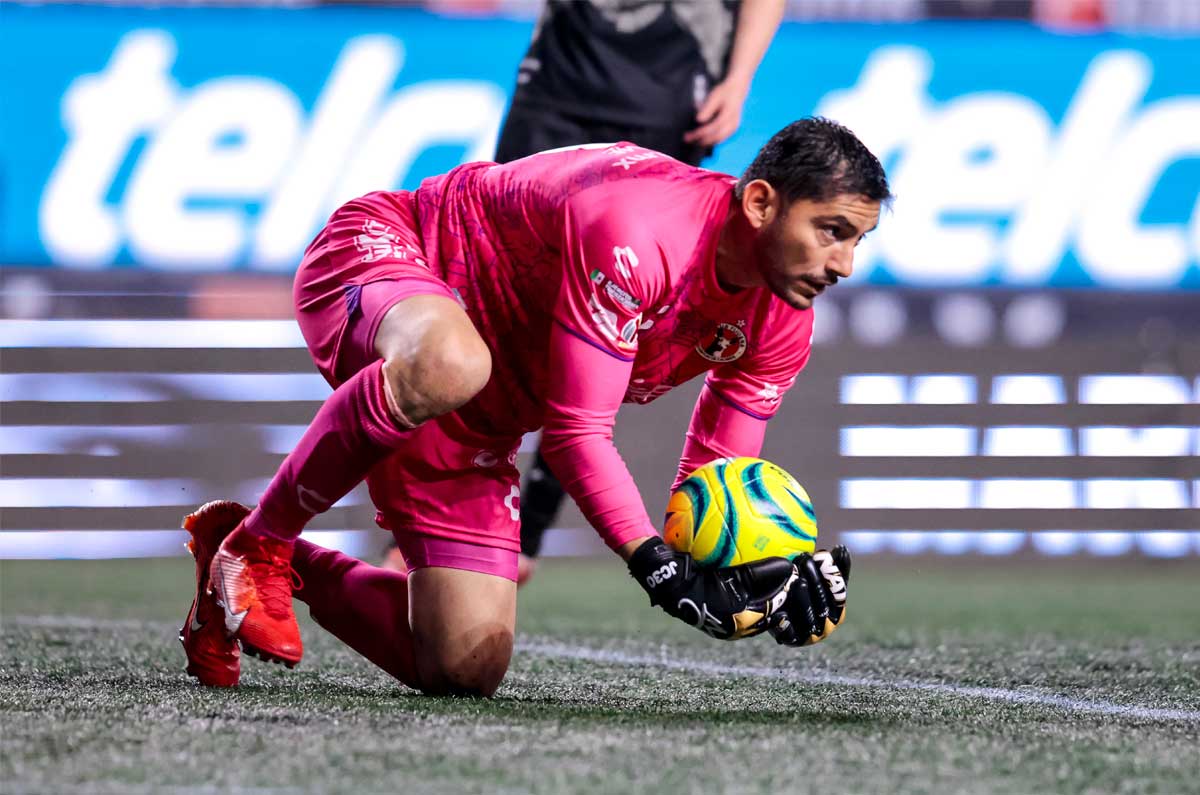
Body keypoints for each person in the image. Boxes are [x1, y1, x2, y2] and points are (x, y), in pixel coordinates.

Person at [179, 117, 890, 696]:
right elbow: (577, 431)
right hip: (393, 256)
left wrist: (763, 577)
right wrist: (656, 569)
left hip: (481, 406)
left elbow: (714, 487)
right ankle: (258, 546)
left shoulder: (783, 317)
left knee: (463, 665)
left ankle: (244, 545)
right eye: (831, 230)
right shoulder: (640, 230)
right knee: (451, 360)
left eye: (859, 239)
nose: (845, 265)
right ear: (761, 202)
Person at [380, 0, 787, 580]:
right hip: (562, 74)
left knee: (609, 311)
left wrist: (739, 77)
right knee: (495, 292)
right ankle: (426, 515)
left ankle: (524, 533)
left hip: (670, 81)